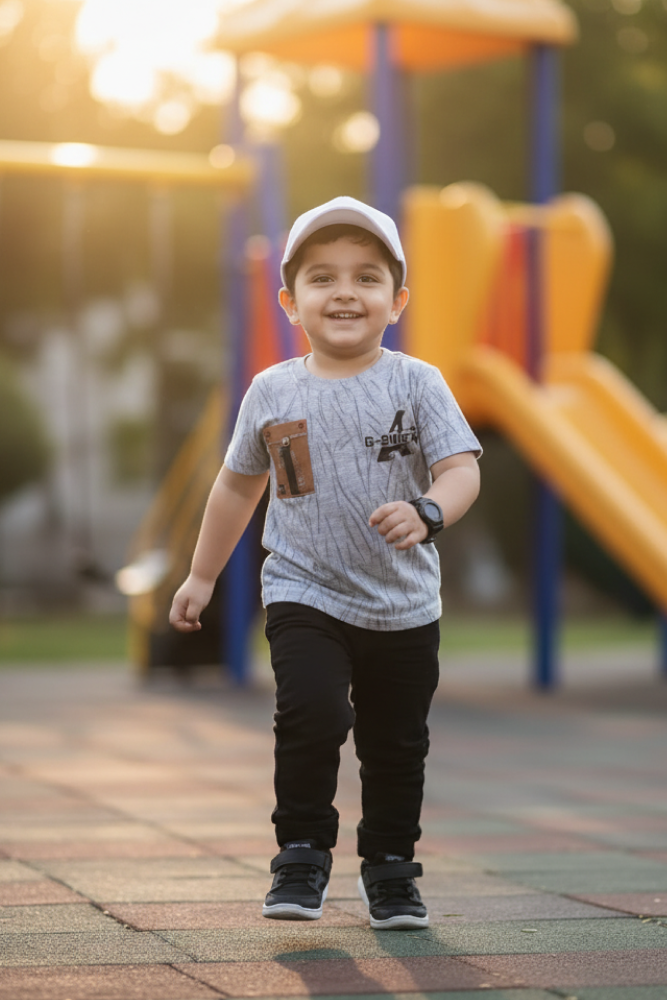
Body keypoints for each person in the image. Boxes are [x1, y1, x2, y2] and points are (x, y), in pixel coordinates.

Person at [169, 196, 481, 930]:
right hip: (304, 589)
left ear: (397, 300)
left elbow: (462, 468)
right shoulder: (273, 391)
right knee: (309, 714)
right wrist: (202, 574)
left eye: (367, 277)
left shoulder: (418, 382)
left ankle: (392, 870)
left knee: (396, 744)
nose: (345, 292)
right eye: (323, 277)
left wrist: (430, 510)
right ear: (291, 301)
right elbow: (237, 487)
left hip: (404, 603)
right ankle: (302, 853)